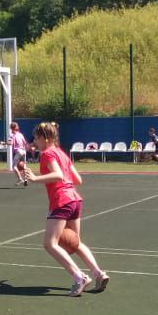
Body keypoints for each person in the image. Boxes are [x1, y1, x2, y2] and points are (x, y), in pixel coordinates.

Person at [24, 121, 109, 297]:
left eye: (36, 138)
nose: (35, 142)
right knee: (75, 243)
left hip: (61, 200)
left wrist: (34, 178)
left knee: (50, 244)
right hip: (74, 199)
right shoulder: (61, 153)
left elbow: (58, 175)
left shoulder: (47, 154)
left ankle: (79, 277)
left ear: (45, 139)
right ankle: (99, 274)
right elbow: (77, 180)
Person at [7, 121, 29, 185]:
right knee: (24, 165)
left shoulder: (12, 135)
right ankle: (25, 179)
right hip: (24, 151)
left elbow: (10, 143)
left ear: (11, 128)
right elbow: (25, 143)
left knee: (14, 166)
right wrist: (28, 148)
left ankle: (20, 179)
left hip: (18, 151)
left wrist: (4, 143)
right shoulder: (20, 134)